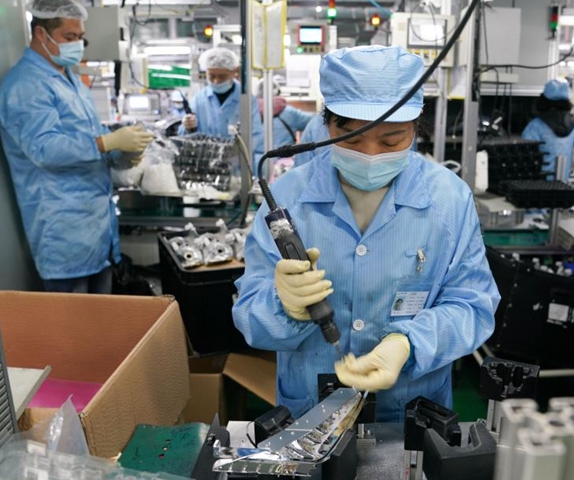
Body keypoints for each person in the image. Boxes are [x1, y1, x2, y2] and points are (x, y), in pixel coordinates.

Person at [233, 45, 499, 422]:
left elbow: (473, 306)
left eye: (391, 141)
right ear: (325, 125)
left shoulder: (449, 200)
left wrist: (409, 343)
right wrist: (283, 307)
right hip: (308, 412)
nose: (371, 155)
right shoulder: (288, 199)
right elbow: (248, 316)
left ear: (416, 126)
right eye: (352, 140)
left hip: (412, 411)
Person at [0, 0, 153, 294]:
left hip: (96, 231)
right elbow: (45, 149)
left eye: (81, 37)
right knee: (73, 331)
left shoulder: (69, 79)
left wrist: (123, 152)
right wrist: (108, 142)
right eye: (70, 37)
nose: (78, 44)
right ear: (41, 34)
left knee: (100, 326)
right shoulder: (24, 85)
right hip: (63, 234)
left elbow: (90, 134)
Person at [181, 48, 264, 160]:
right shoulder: (198, 100)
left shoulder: (246, 100)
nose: (216, 81)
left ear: (234, 72)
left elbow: (256, 135)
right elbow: (186, 137)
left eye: (222, 76)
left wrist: (234, 152)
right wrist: (187, 126)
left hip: (239, 165)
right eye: (212, 76)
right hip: (208, 164)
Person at [521, 79, 574, 181]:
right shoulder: (573, 125)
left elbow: (525, 149)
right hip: (564, 184)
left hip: (541, 185)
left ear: (543, 100)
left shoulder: (536, 125)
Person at [256, 79, 315, 148]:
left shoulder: (251, 114)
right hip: (283, 156)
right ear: (278, 92)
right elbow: (314, 122)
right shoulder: (289, 112)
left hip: (258, 158)